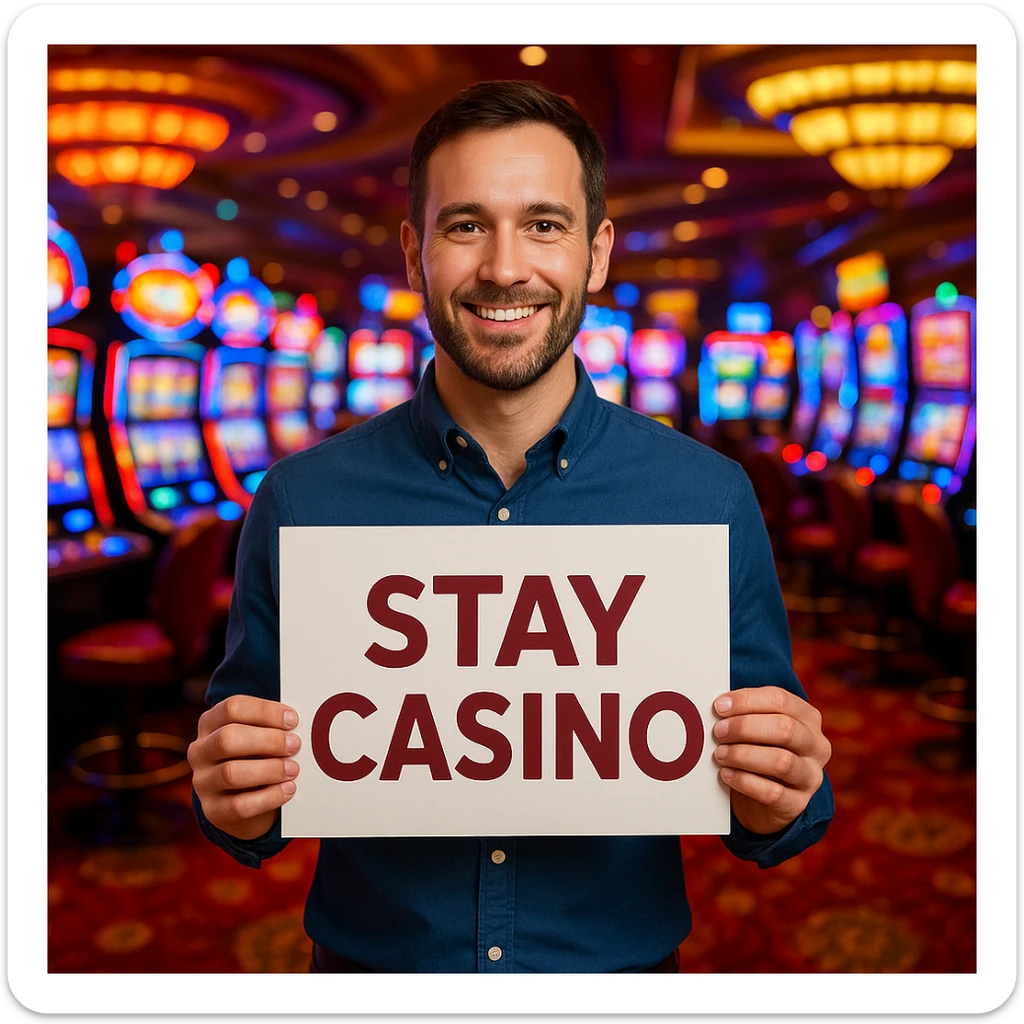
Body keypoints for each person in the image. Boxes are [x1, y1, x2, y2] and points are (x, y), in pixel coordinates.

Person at [188, 80, 834, 974]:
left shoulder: (708, 495)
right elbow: (250, 786)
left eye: (543, 224)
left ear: (597, 252)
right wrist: (234, 794)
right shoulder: (301, 500)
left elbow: (769, 799)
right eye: (465, 226)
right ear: (415, 253)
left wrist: (782, 792)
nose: (502, 267)